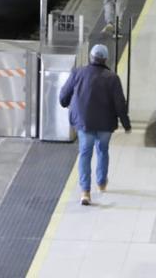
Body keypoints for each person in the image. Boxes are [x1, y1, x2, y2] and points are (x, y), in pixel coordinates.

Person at [58, 43, 131, 206]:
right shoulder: (112, 78)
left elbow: (63, 95)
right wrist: (126, 124)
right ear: (105, 59)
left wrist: (65, 103)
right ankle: (101, 182)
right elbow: (120, 103)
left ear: (91, 57)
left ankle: (85, 192)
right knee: (103, 150)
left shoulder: (78, 73)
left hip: (84, 122)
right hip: (105, 123)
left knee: (85, 153)